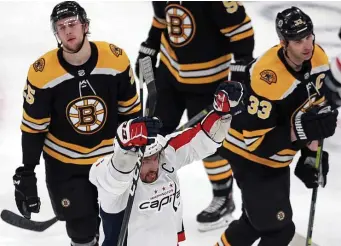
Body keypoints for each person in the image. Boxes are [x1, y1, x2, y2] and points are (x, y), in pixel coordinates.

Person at [12, 1, 141, 246]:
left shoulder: (115, 59)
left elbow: (130, 113)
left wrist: (136, 148)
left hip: (111, 162)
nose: (68, 31)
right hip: (65, 165)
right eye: (61, 27)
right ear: (56, 34)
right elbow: (33, 128)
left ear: (85, 26)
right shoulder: (42, 73)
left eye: (72, 24)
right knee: (82, 235)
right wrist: (27, 171)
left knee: (119, 233)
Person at [216, 7, 338, 246]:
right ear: (283, 42)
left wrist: (312, 154)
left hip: (276, 157)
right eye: (298, 40)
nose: (307, 46)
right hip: (247, 154)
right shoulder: (266, 78)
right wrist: (301, 132)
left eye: (309, 36)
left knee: (254, 222)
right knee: (278, 230)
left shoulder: (319, 59)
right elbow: (257, 144)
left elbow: (315, 112)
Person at [135, 1, 255, 231]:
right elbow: (162, 18)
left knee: (210, 141)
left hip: (209, 80)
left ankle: (224, 197)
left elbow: (241, 30)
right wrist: (151, 44)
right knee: (153, 137)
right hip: (170, 74)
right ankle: (151, 197)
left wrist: (241, 69)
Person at [89, 81, 246, 246]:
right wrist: (126, 148)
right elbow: (114, 177)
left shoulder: (165, 155)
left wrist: (222, 114)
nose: (153, 166)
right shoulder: (111, 179)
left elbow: (203, 138)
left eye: (155, 157)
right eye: (145, 160)